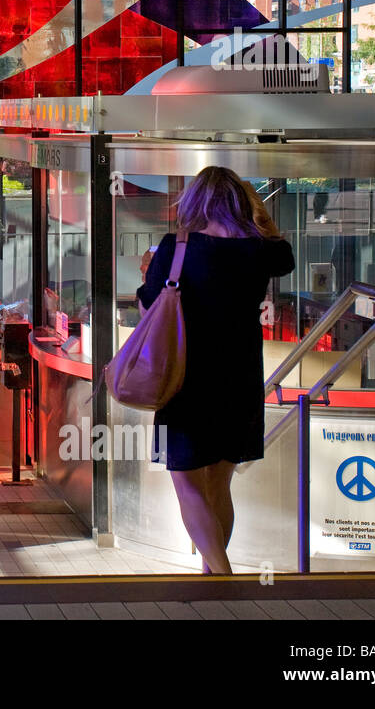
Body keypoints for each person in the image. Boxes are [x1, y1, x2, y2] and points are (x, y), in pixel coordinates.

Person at [137, 167, 294, 575]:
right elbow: (284, 253)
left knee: (187, 484)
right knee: (218, 485)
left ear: (193, 202)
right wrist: (257, 212)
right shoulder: (262, 250)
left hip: (186, 380)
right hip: (240, 379)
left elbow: (147, 309)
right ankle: (212, 576)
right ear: (243, 202)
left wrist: (148, 274)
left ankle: (222, 578)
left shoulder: (176, 247)